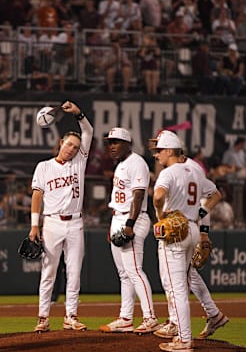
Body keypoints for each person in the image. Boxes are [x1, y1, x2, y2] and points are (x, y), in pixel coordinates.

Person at [150, 131, 227, 351]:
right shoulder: (195, 172)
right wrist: (201, 213)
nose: (156, 155)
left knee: (177, 289)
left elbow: (157, 197)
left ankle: (184, 339)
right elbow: (216, 194)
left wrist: (159, 214)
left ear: (168, 151)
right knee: (181, 283)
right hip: (192, 228)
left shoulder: (169, 173)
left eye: (159, 151)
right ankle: (188, 327)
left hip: (174, 231)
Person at [28, 101, 92, 333]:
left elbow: (88, 131)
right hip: (52, 222)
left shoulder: (79, 163)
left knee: (74, 272)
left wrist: (77, 113)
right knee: (49, 272)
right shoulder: (44, 167)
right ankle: (43, 317)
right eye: (69, 145)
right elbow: (37, 196)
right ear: (60, 143)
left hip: (75, 222)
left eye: (76, 147)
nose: (72, 149)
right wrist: (34, 226)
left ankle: (71, 316)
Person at [99, 128, 161, 335]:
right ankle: (126, 318)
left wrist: (129, 224)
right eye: (110, 142)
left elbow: (138, 196)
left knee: (134, 270)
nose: (112, 146)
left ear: (128, 143)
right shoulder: (121, 165)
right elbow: (120, 197)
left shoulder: (137, 163)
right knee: (124, 274)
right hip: (119, 216)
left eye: (116, 142)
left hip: (134, 218)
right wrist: (113, 223)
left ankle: (150, 317)